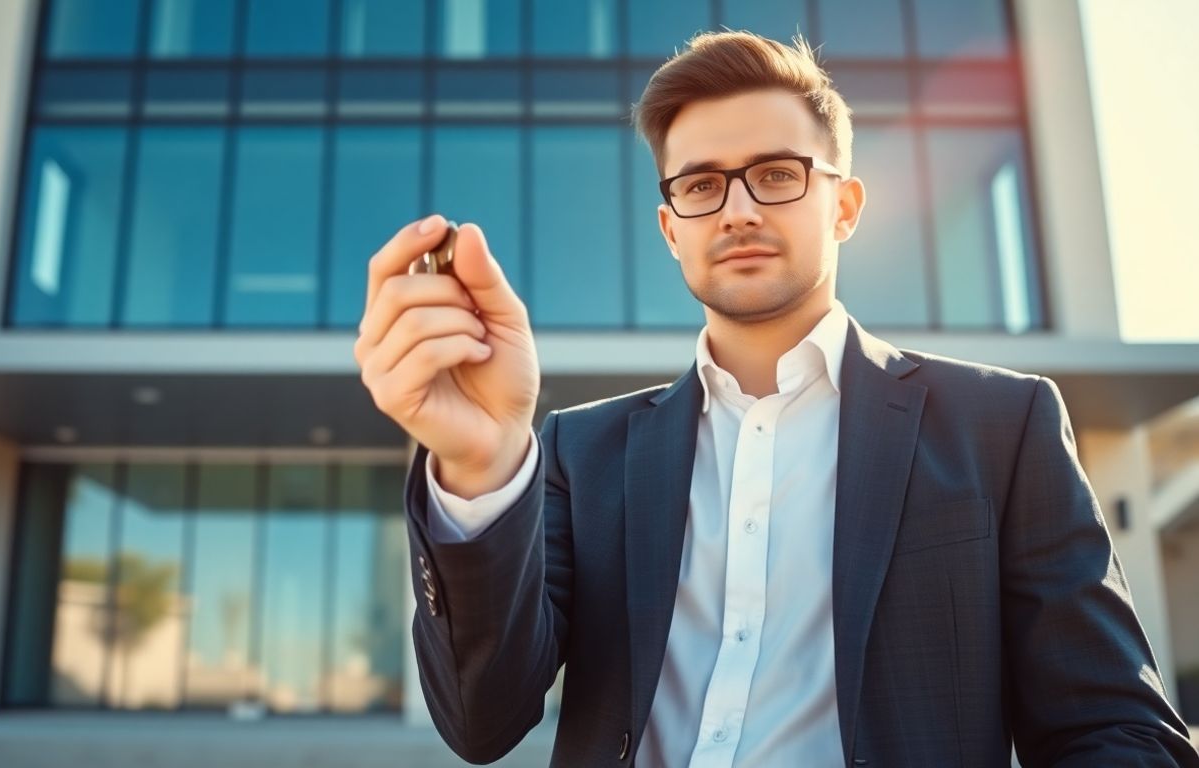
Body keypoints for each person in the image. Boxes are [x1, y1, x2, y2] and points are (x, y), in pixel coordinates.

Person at [352, 29, 1199, 768]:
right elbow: (481, 723)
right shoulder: (583, 453)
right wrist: (479, 462)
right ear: (670, 228)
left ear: (846, 205)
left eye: (777, 174)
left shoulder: (1001, 427)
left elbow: (1115, 727)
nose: (739, 209)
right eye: (701, 185)